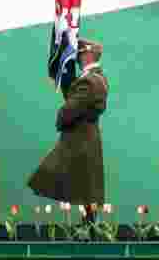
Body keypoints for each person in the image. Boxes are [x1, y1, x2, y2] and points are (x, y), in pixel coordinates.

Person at [28, 38, 108, 225]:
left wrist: (60, 117)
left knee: (73, 184)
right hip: (85, 139)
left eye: (79, 54)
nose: (77, 58)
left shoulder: (89, 81)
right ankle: (88, 229)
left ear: (87, 55)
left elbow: (69, 111)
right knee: (85, 189)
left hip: (79, 141)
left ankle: (88, 231)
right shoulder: (98, 78)